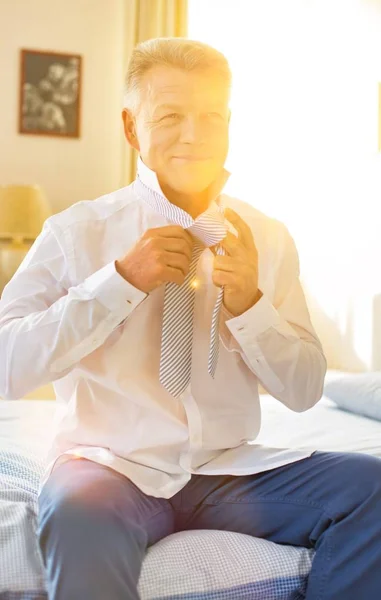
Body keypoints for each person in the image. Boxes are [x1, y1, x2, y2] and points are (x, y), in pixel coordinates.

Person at [0, 37, 380, 600]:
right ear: (132, 128)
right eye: (171, 116)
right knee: (77, 515)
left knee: (372, 488)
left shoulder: (268, 239)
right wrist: (120, 282)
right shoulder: (74, 234)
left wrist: (251, 304)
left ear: (229, 122)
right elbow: (7, 366)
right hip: (110, 466)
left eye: (210, 116)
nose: (194, 135)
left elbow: (304, 391)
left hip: (230, 470)